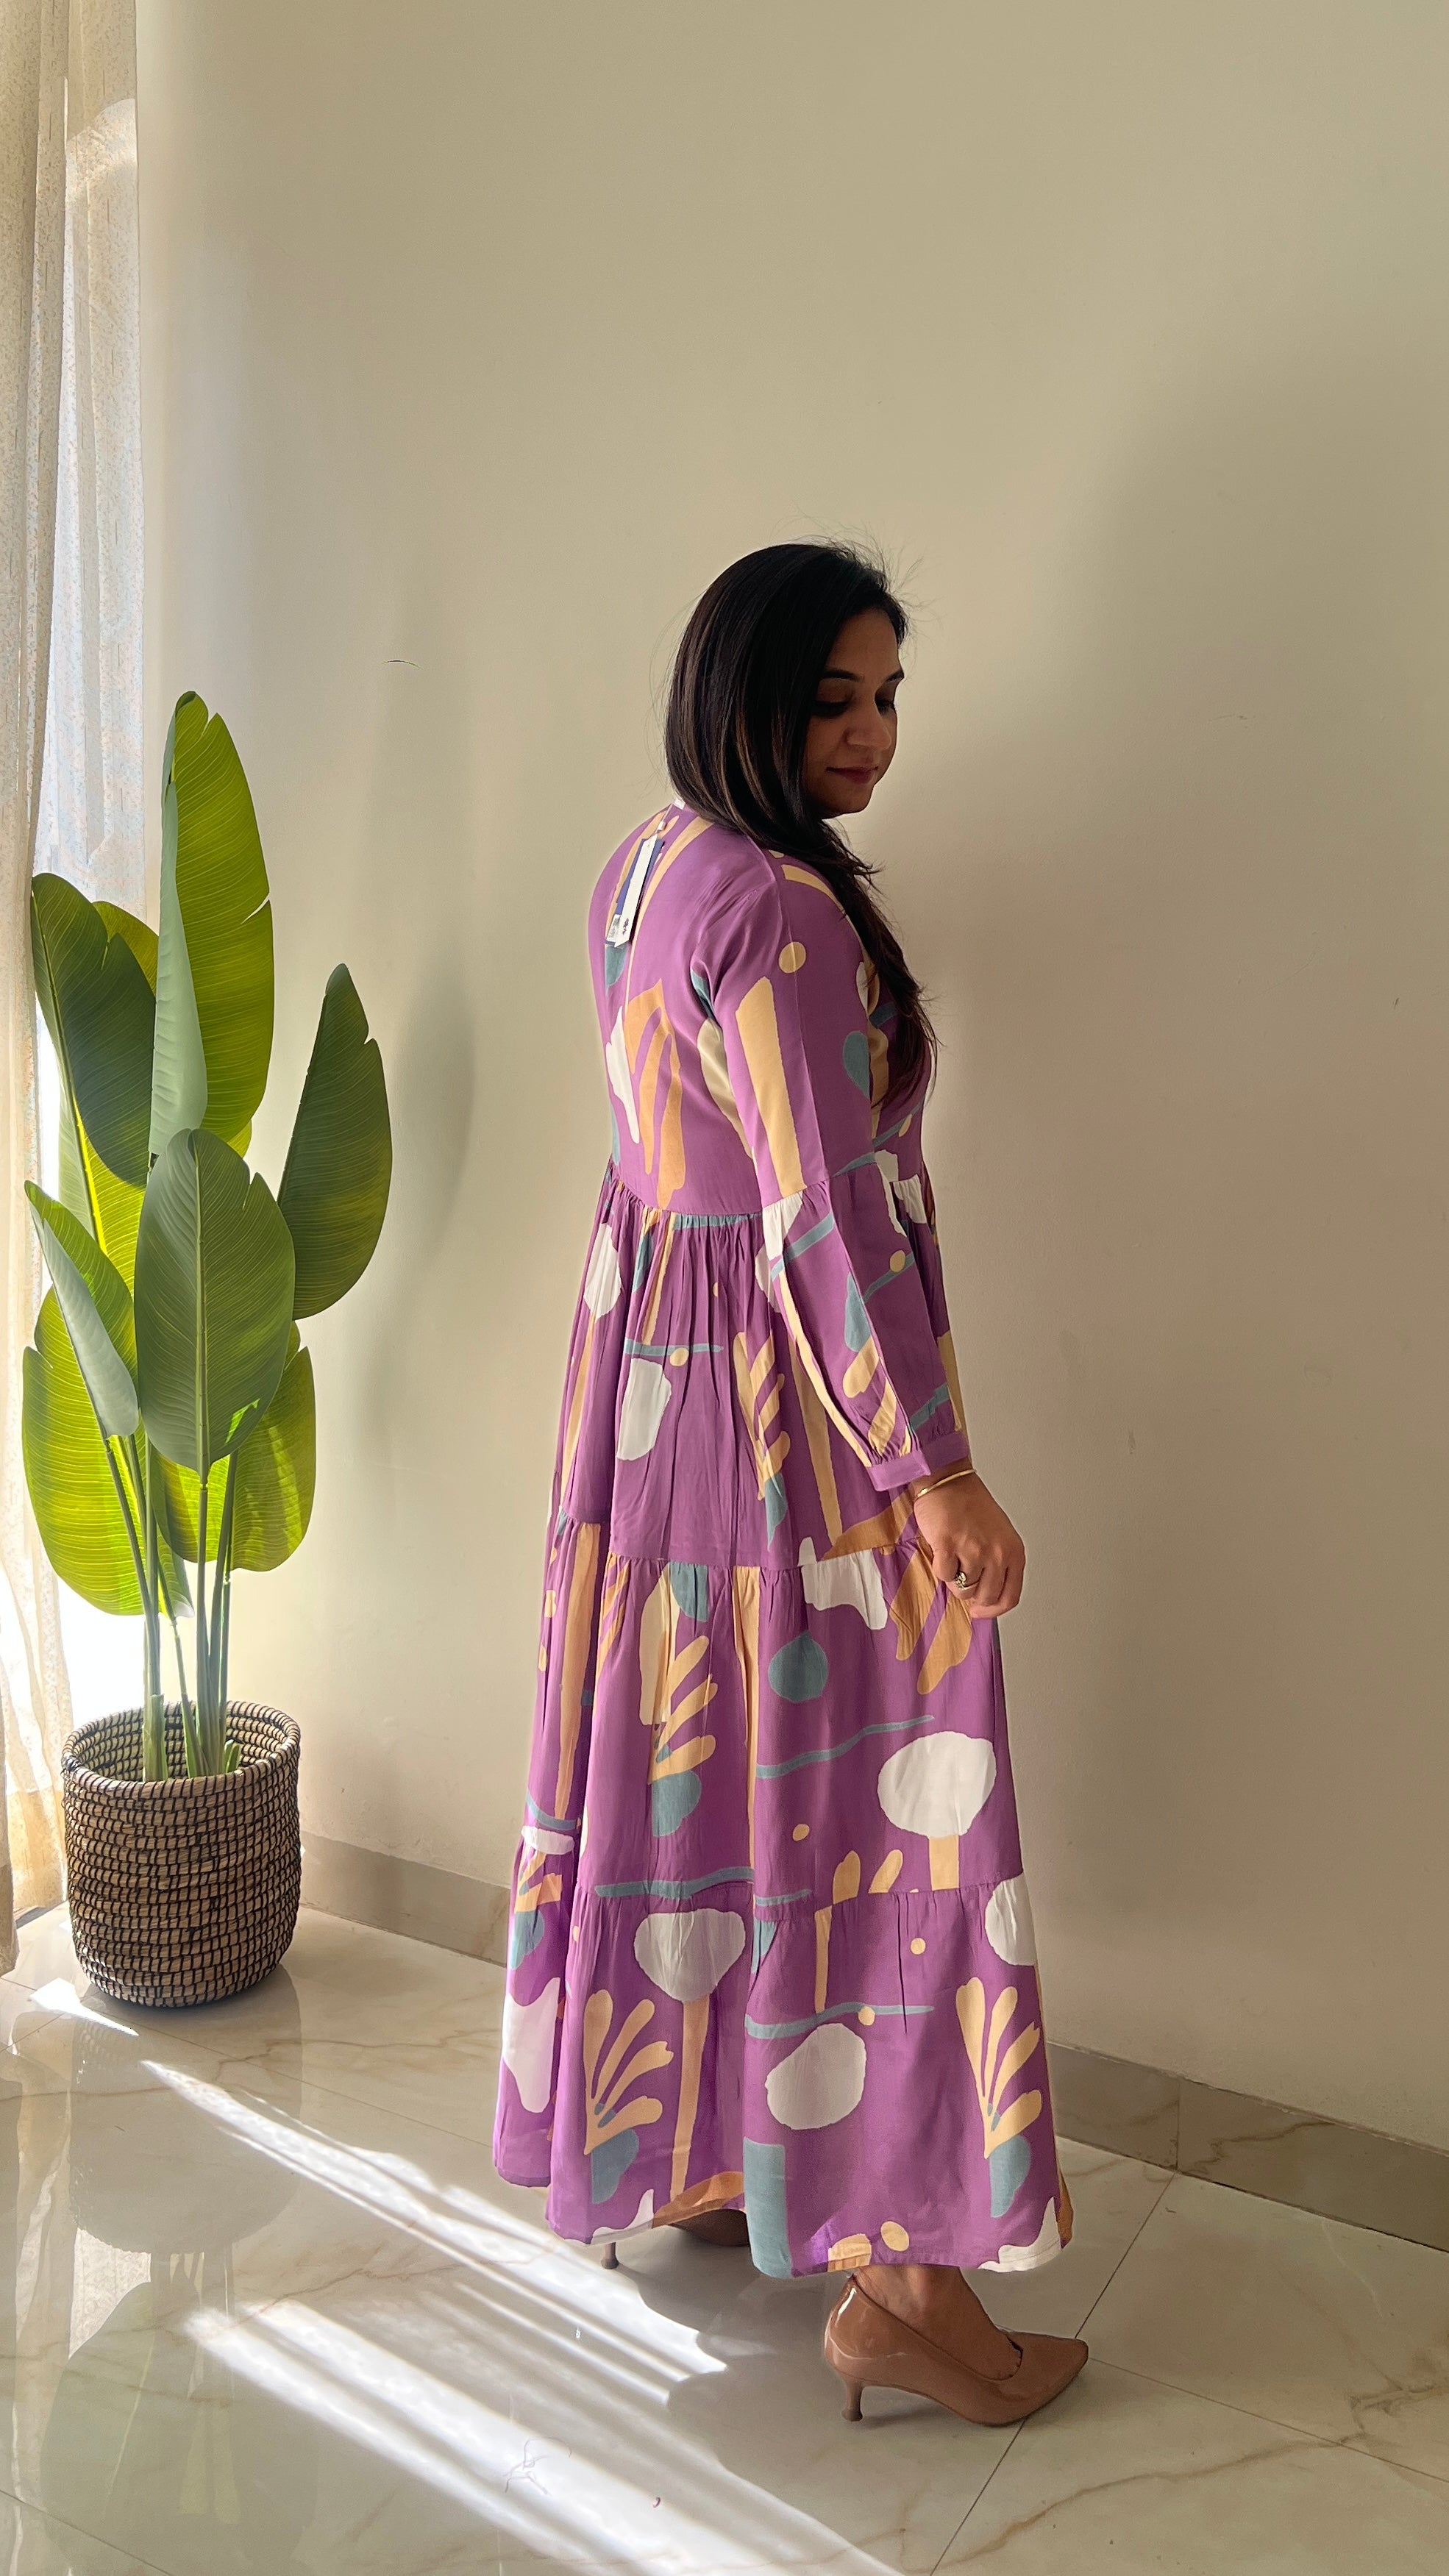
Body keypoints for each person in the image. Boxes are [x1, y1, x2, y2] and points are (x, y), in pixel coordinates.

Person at [494, 542, 1086, 2427]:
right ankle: (903, 2281)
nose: (871, 734)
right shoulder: (782, 912)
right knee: (877, 1803)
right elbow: (822, 1214)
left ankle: (694, 2149)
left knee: (697, 1748)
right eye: (833, 697)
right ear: (739, 689)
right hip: (792, 1410)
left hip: (649, 1387)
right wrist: (936, 1471)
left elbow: (685, 1157)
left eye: (888, 696)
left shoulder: (646, 864)